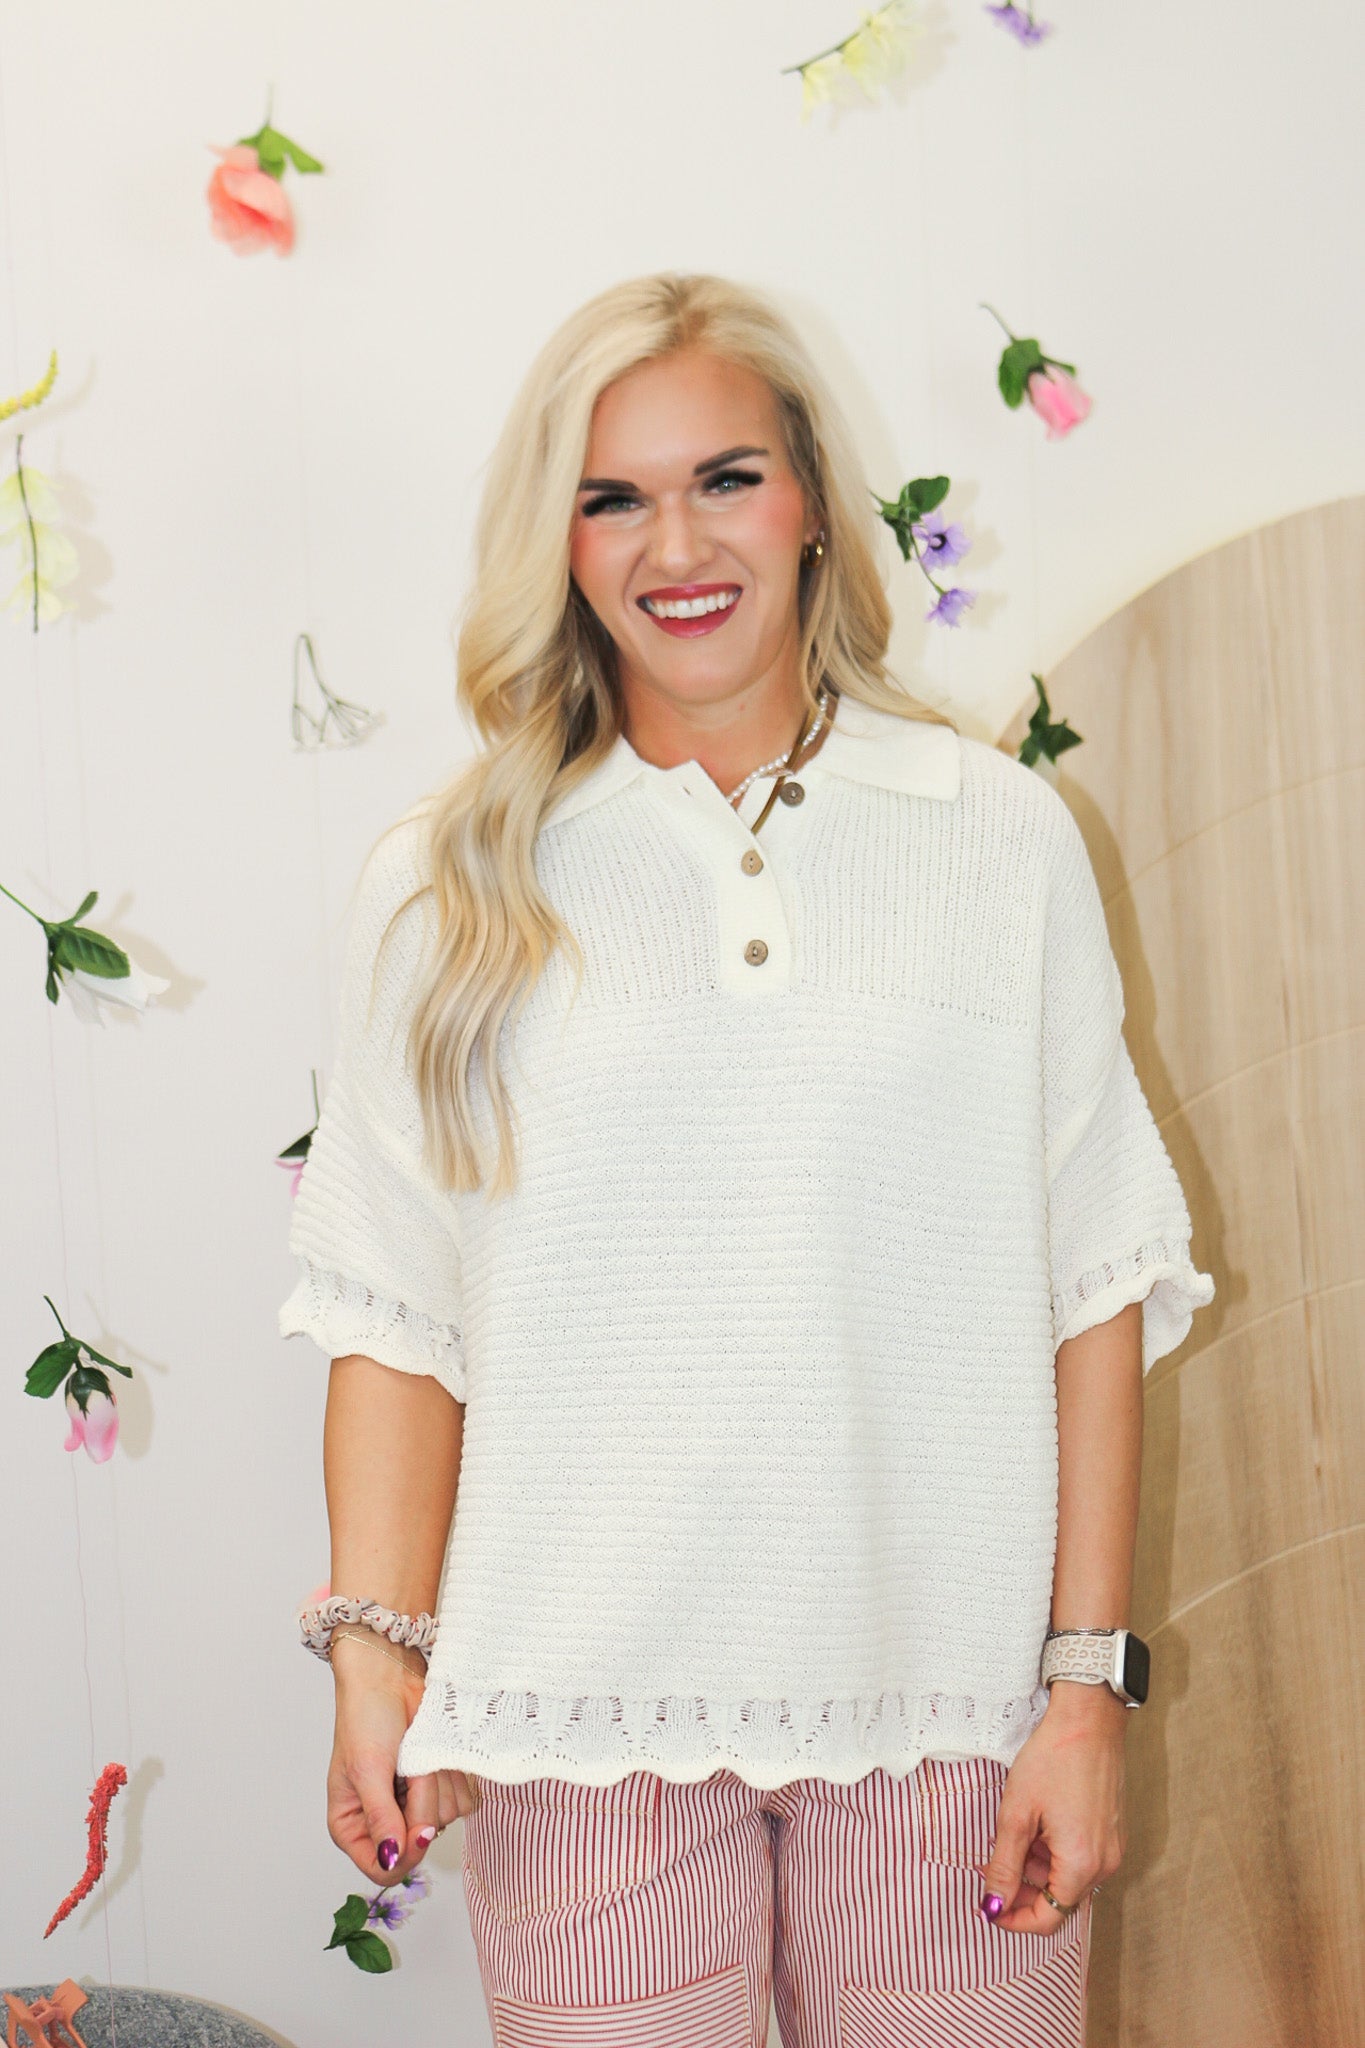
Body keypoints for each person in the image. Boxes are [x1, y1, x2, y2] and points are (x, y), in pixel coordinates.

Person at [280, 271, 1215, 2046]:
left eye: (725, 478)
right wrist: (373, 1658)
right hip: (576, 1737)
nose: (676, 545)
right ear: (557, 543)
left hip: (952, 1731)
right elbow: (395, 1311)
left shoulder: (997, 836)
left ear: (809, 504)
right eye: (611, 498)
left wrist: (1082, 1695)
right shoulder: (448, 881)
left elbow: (1091, 1287)